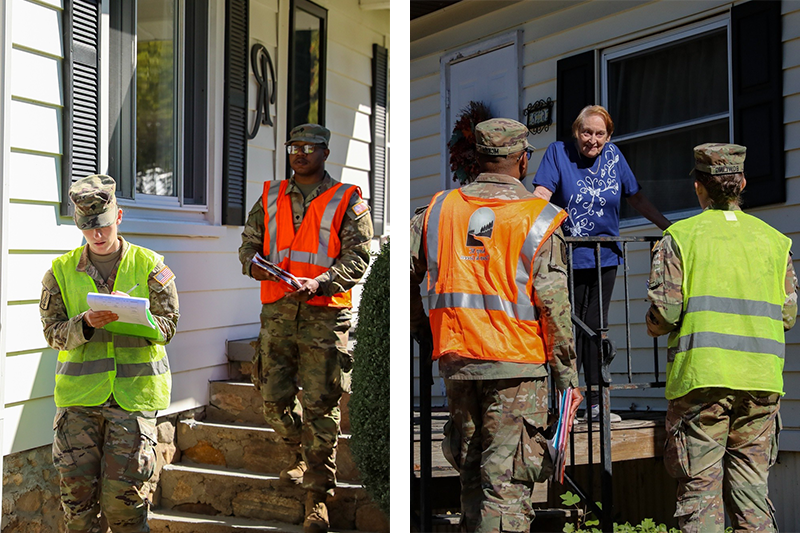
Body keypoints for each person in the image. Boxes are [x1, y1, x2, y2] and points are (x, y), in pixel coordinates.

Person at [411, 118, 583, 533]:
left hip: (458, 359)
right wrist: (567, 377)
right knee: (504, 487)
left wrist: (423, 329)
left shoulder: (438, 209)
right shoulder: (539, 217)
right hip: (517, 367)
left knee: (471, 474)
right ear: (523, 161)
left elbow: (398, 274)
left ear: (477, 159)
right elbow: (554, 306)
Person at [646, 143, 797, 532]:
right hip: (761, 381)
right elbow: (788, 315)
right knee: (752, 494)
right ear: (742, 182)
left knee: (700, 498)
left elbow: (665, 314)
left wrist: (653, 323)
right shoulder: (776, 242)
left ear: (699, 186)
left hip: (702, 380)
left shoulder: (680, 237)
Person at [239, 123, 373, 533]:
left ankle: (318, 499)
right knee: (272, 398)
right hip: (277, 314)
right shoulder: (270, 196)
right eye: (294, 146)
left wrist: (319, 282)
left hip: (324, 316)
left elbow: (359, 256)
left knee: (320, 406)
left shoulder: (346, 199)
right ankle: (295, 449)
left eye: (309, 147)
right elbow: (248, 248)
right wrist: (258, 265)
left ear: (325, 153)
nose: (300, 153)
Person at [39, 174, 179, 533]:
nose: (97, 236)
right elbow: (52, 334)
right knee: (78, 511)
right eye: (88, 228)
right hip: (78, 406)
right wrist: (84, 323)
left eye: (102, 225)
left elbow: (168, 327)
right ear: (78, 225)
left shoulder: (151, 265)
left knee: (125, 510)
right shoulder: (59, 272)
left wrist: (135, 318)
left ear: (118, 217)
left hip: (132, 403)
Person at [532, 104, 671, 422]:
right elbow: (542, 193)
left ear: (608, 136)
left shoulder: (615, 156)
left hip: (605, 256)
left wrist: (668, 226)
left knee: (596, 327)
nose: (592, 140)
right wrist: (519, 225)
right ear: (576, 132)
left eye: (599, 134)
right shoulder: (558, 152)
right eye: (586, 132)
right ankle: (569, 400)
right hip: (570, 256)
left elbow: (634, 197)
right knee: (572, 327)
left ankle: (595, 401)